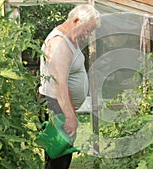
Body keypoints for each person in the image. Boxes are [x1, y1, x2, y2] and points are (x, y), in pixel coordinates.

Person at [39, 4, 100, 169]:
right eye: (86, 30)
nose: (87, 36)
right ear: (76, 21)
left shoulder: (70, 38)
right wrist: (70, 117)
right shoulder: (58, 43)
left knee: (62, 157)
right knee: (58, 159)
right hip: (56, 106)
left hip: (61, 105)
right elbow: (60, 84)